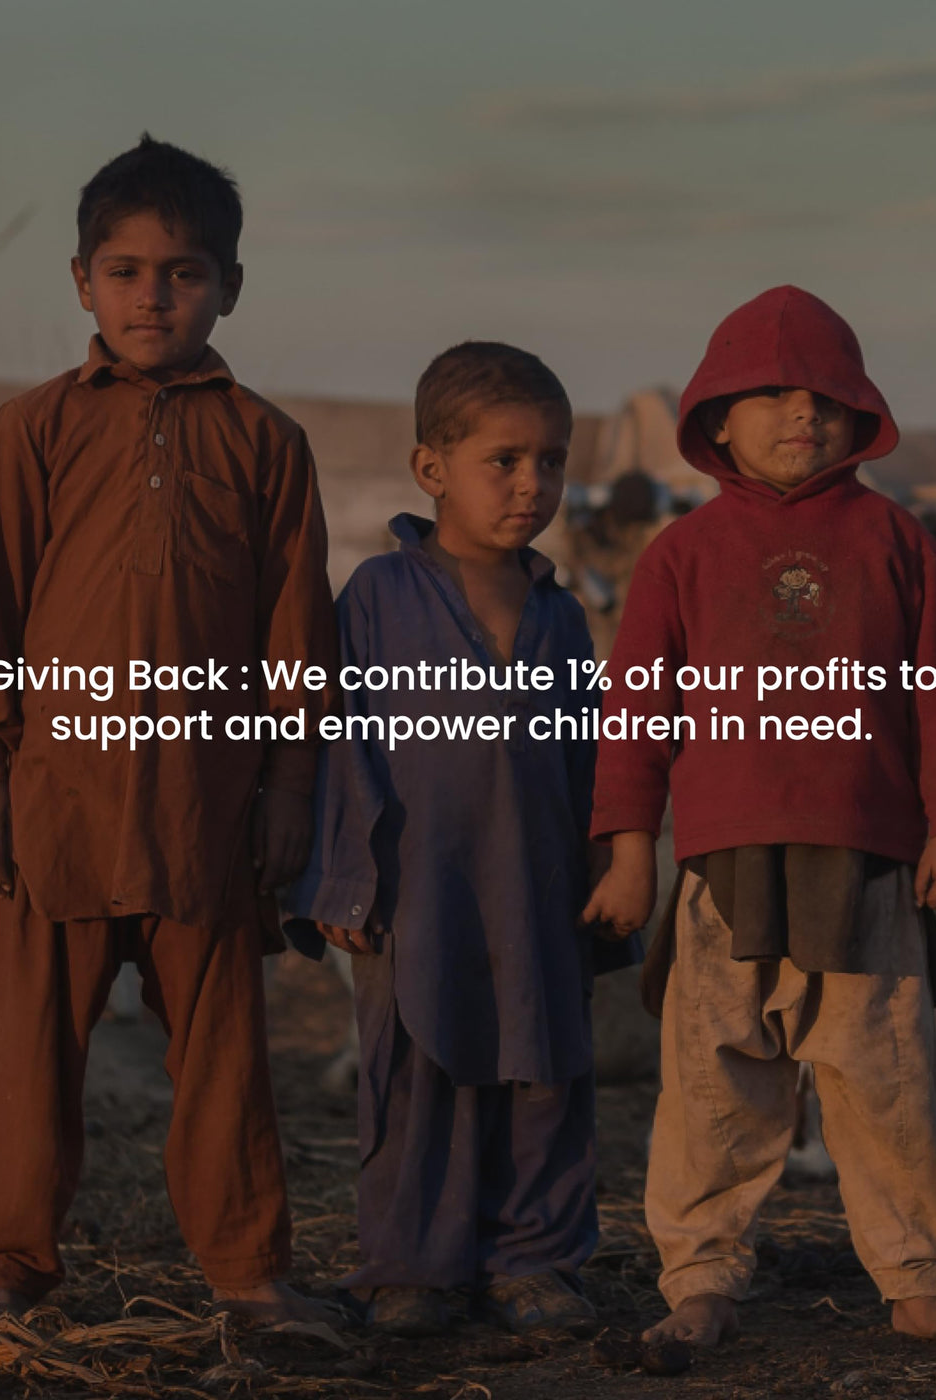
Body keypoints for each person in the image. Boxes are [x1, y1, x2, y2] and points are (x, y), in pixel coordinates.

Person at [0, 134, 337, 1323]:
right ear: (80, 281)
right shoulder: (31, 429)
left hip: (203, 804)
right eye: (125, 271)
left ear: (229, 287)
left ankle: (249, 1271)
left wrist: (289, 785)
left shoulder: (266, 442)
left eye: (183, 272)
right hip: (56, 797)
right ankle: (5, 1269)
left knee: (222, 1056)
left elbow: (295, 632)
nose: (153, 296)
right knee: (30, 1056)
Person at [584, 285, 936, 1356]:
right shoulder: (681, 553)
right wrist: (630, 853)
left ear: (858, 412)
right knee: (711, 1080)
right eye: (770, 394)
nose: (801, 413)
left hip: (868, 858)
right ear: (714, 418)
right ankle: (699, 1278)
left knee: (885, 1078)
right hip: (721, 866)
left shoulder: (895, 540)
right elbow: (635, 711)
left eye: (824, 396)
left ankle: (916, 1280)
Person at [285, 342, 636, 1337]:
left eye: (552, 461)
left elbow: (588, 753)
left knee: (543, 1069)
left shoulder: (561, 615)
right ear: (430, 468)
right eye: (504, 460)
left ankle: (533, 1261)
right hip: (415, 888)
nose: (533, 485)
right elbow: (342, 740)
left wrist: (611, 860)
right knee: (415, 1076)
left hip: (537, 885)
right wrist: (342, 879)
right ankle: (413, 1267)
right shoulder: (376, 597)